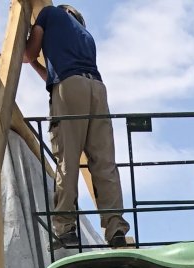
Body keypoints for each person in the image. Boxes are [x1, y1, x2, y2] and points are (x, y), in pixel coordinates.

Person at [24, 5, 128, 249]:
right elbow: (56, 75)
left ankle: (65, 228)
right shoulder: (84, 35)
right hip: (97, 89)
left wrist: (23, 47)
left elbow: (28, 55)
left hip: (70, 88)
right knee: (104, 162)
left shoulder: (49, 13)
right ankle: (116, 231)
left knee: (67, 159)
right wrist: (39, 67)